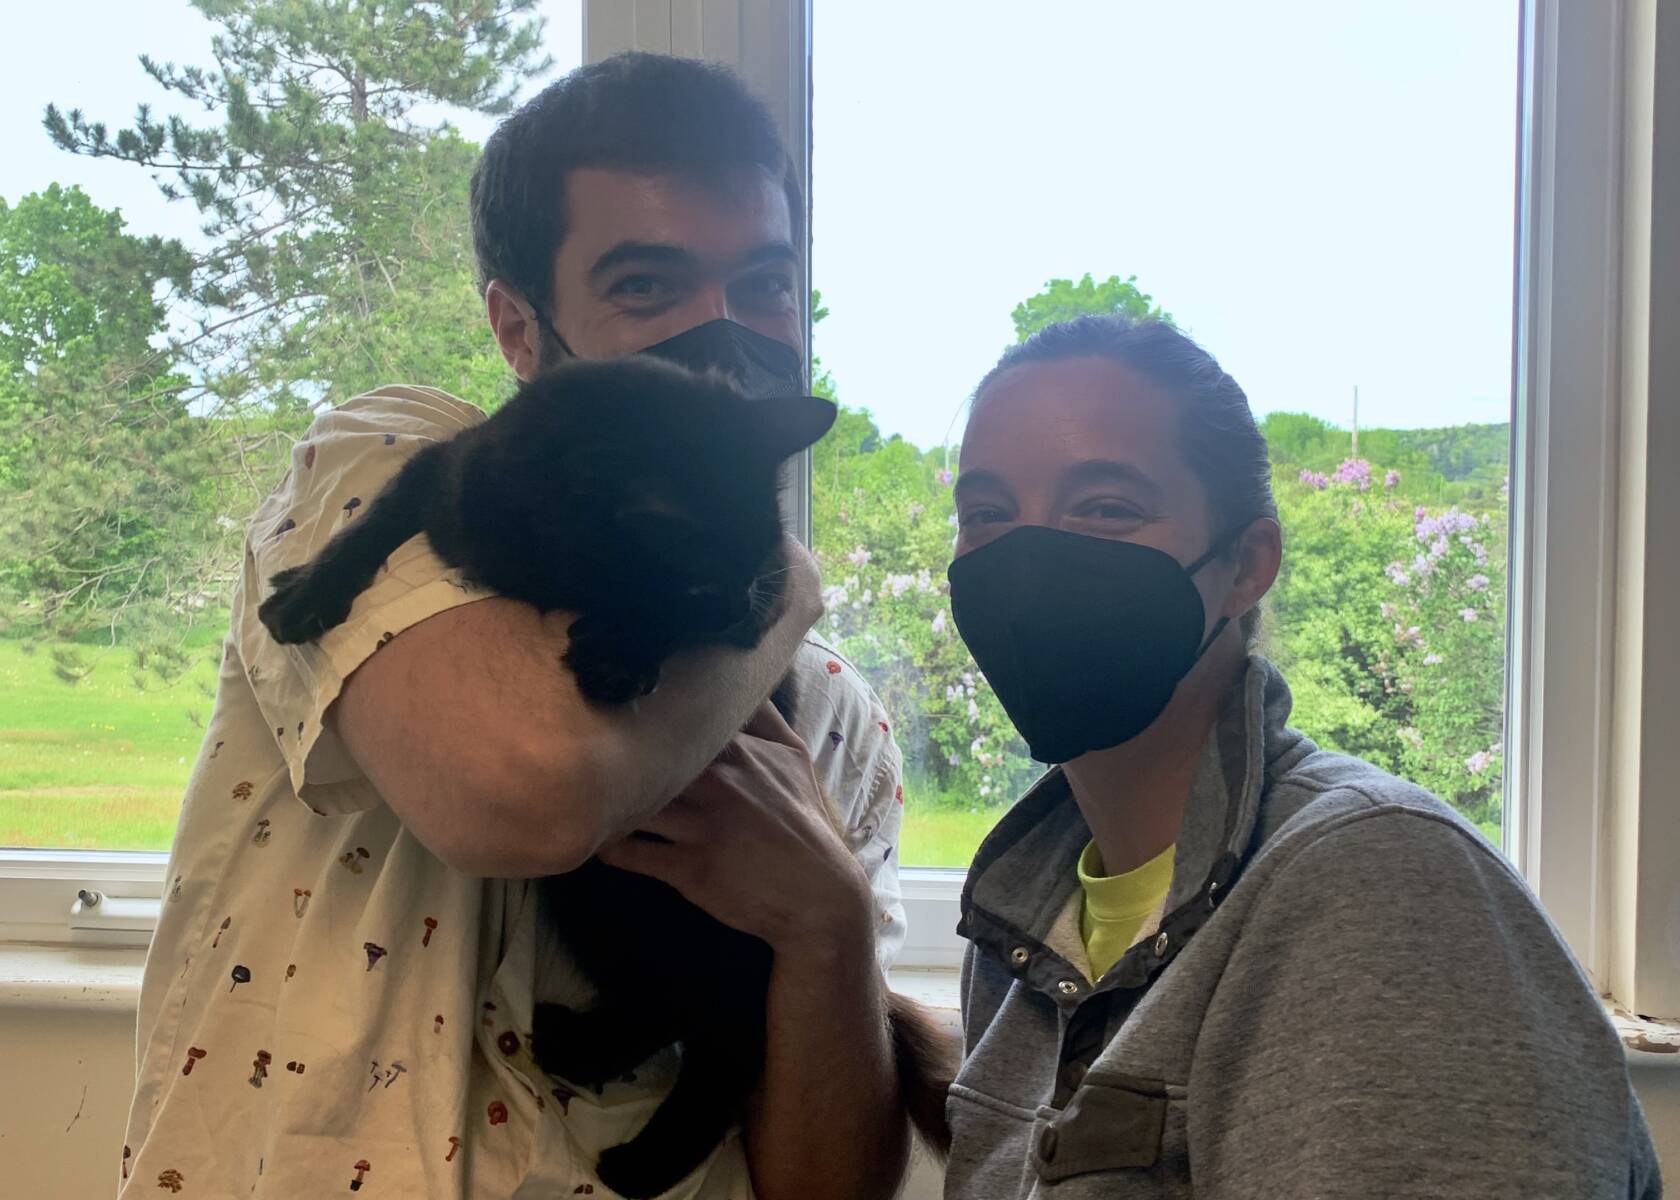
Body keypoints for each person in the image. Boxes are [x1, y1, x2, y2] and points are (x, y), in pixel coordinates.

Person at [119, 54, 914, 1200]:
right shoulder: (375, 470)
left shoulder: (830, 708)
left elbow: (833, 1189)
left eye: (764, 284)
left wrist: (828, 926)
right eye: (646, 285)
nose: (720, 330)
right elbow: (524, 794)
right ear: (518, 327)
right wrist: (782, 587)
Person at [939, 315, 1662, 1198]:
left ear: (1247, 565)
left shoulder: (1381, 886)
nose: (1026, 561)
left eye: (1107, 509)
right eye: (986, 515)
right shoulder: (1022, 929)